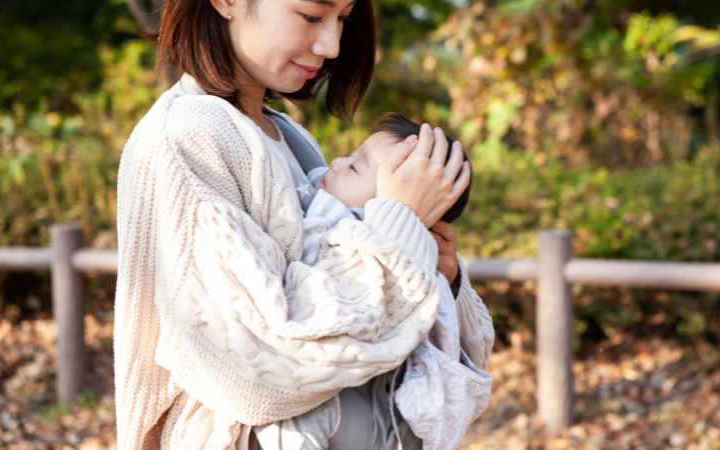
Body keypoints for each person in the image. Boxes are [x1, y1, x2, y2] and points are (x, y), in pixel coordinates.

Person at [113, 0, 495, 449]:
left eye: (343, 18)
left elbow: (446, 358)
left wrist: (438, 273)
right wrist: (400, 227)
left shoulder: (286, 136)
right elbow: (258, 365)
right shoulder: (187, 136)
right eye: (312, 16)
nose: (332, 45)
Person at [291, 112, 492, 450]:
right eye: (352, 156)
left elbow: (469, 348)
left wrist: (451, 280)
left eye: (355, 166)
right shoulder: (313, 198)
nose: (336, 162)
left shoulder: (344, 226)